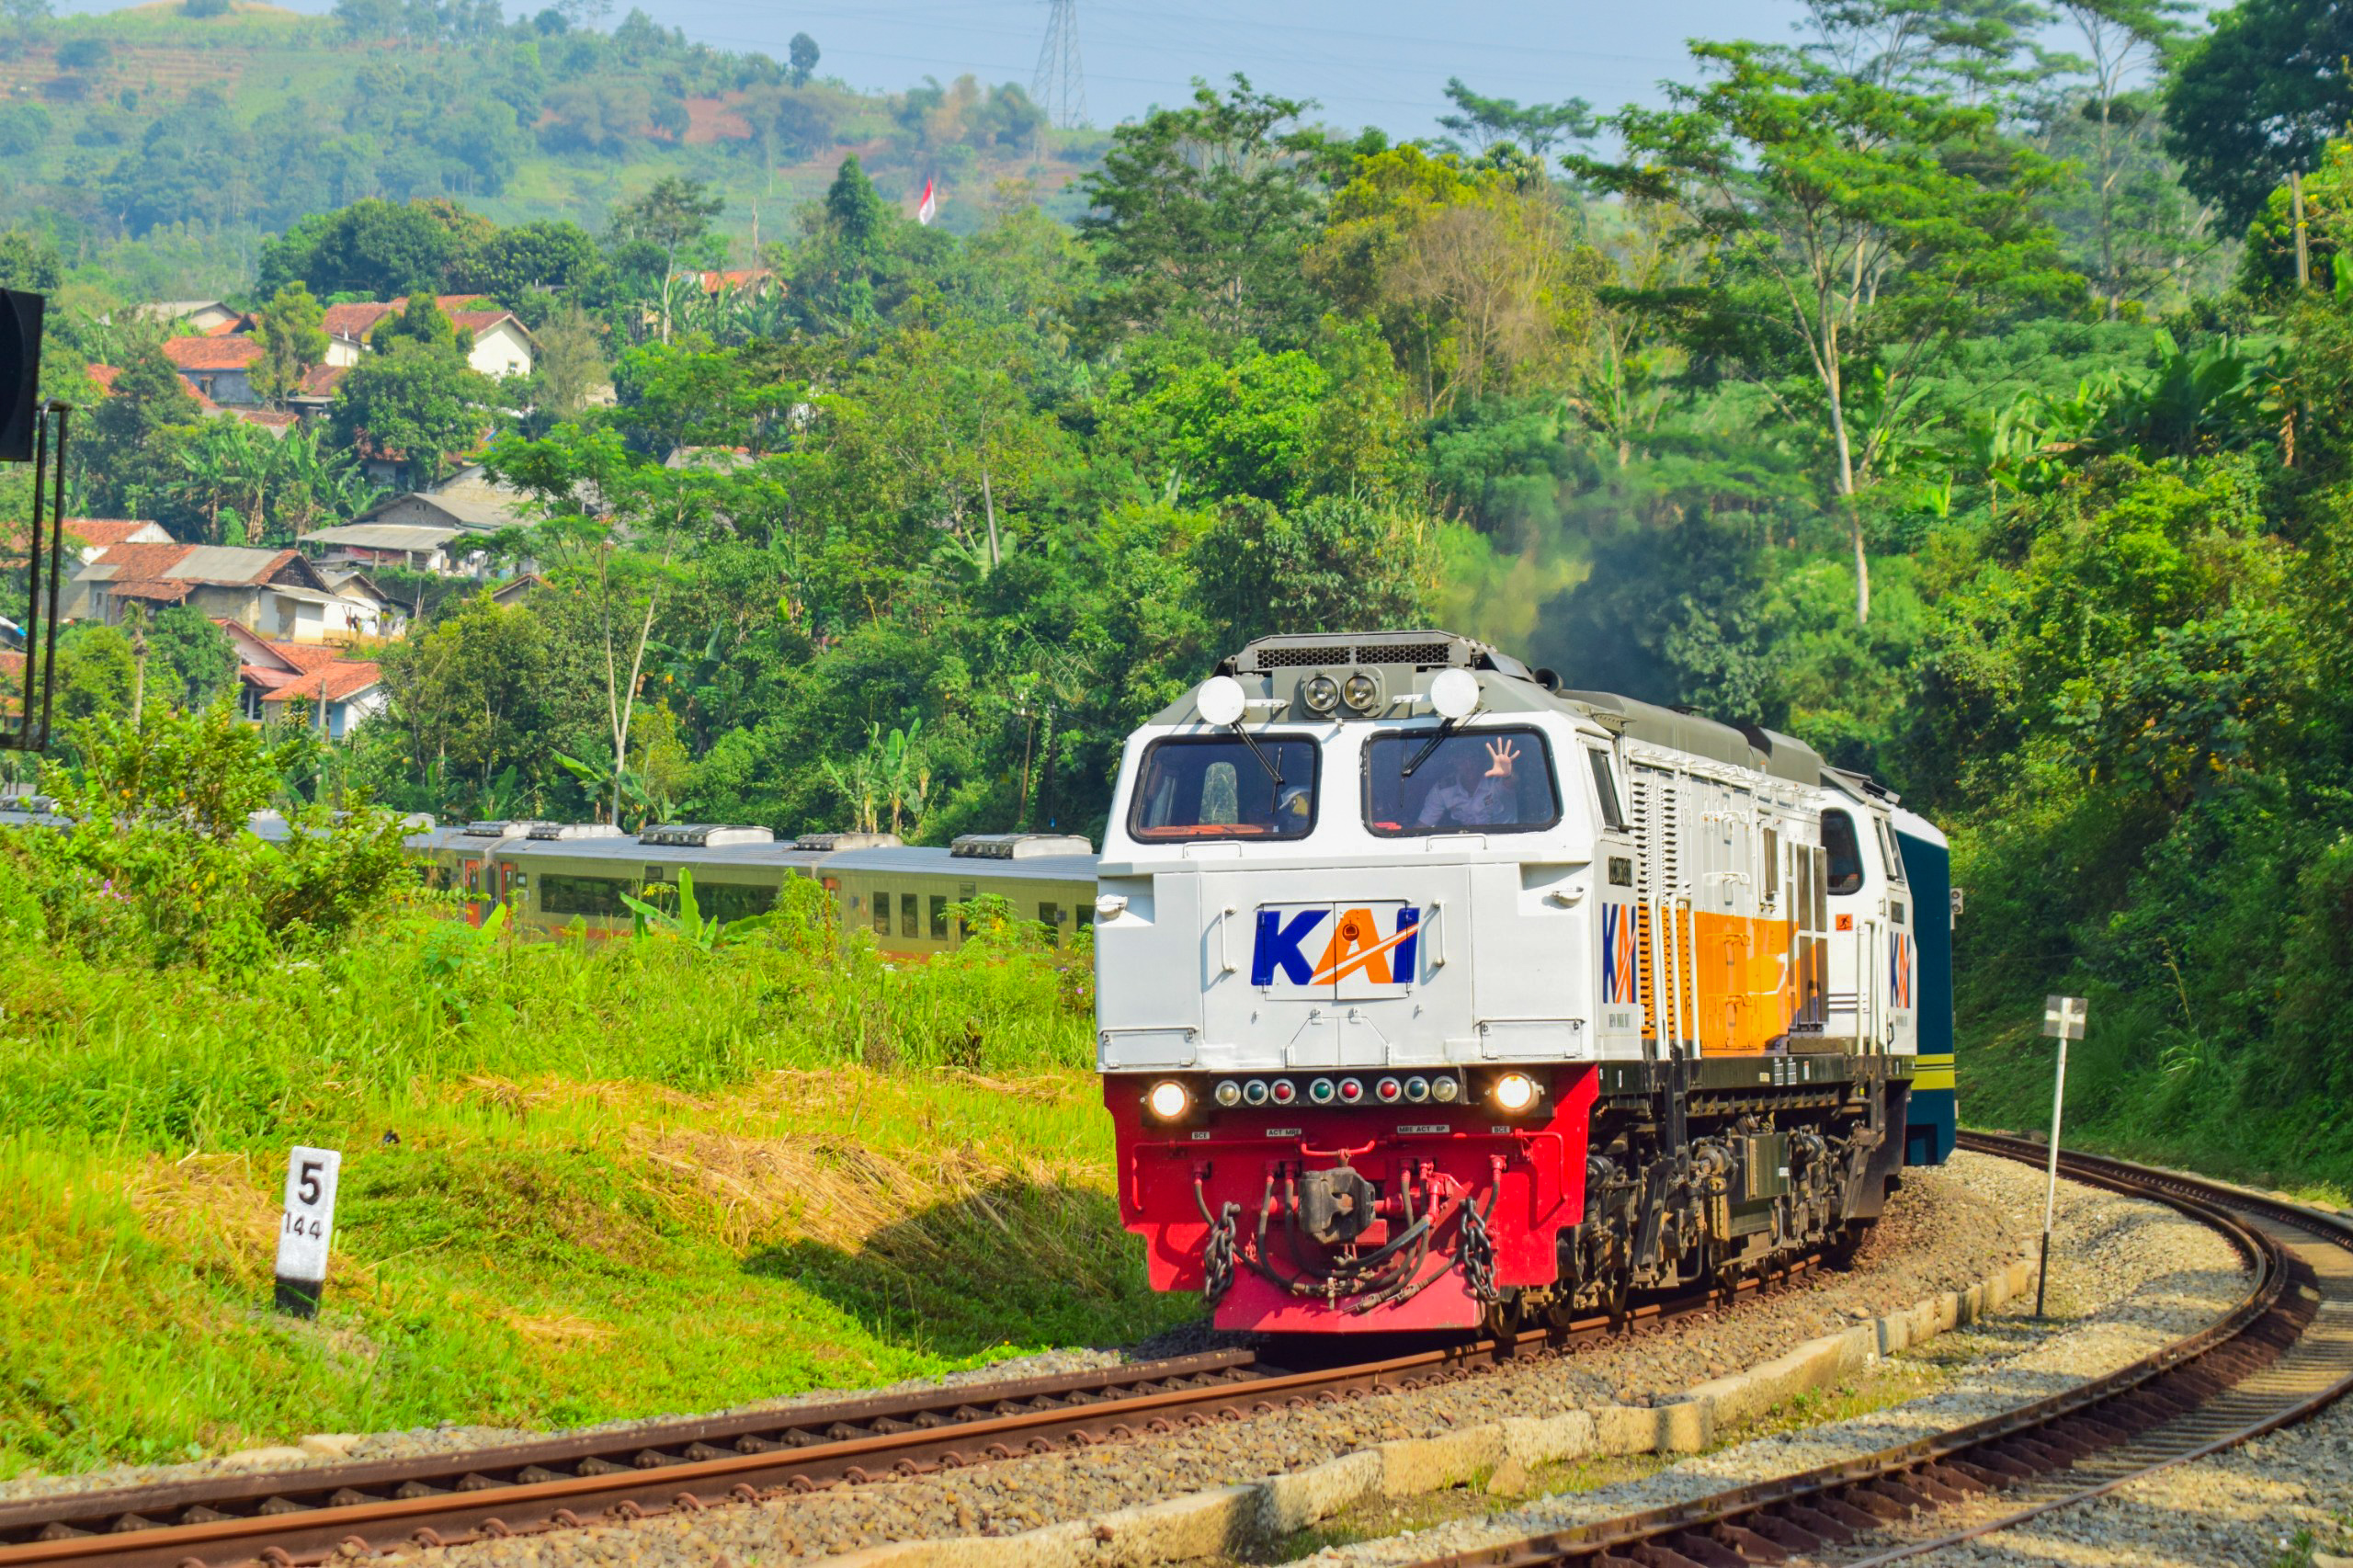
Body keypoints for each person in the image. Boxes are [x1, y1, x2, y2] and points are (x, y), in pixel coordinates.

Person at [1415, 737, 1520, 827]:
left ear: (1481, 759)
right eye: (1462, 759)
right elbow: (1422, 826)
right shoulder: (1443, 789)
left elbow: (1512, 781)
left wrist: (1507, 774)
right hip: (1468, 843)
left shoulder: (1496, 778)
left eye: (1473, 758)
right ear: (1454, 761)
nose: (1469, 765)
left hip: (1506, 842)